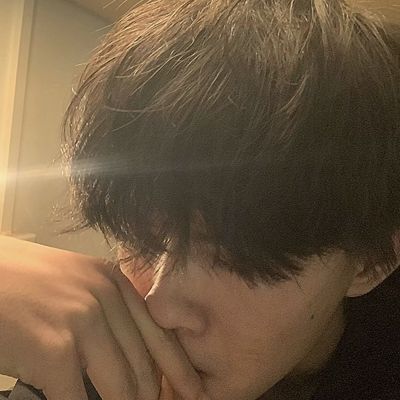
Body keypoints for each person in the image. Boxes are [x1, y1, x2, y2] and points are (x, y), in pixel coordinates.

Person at [0, 0, 399, 399]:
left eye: (236, 258)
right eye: (140, 237)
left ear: (372, 260)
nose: (161, 308)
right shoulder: (100, 347)